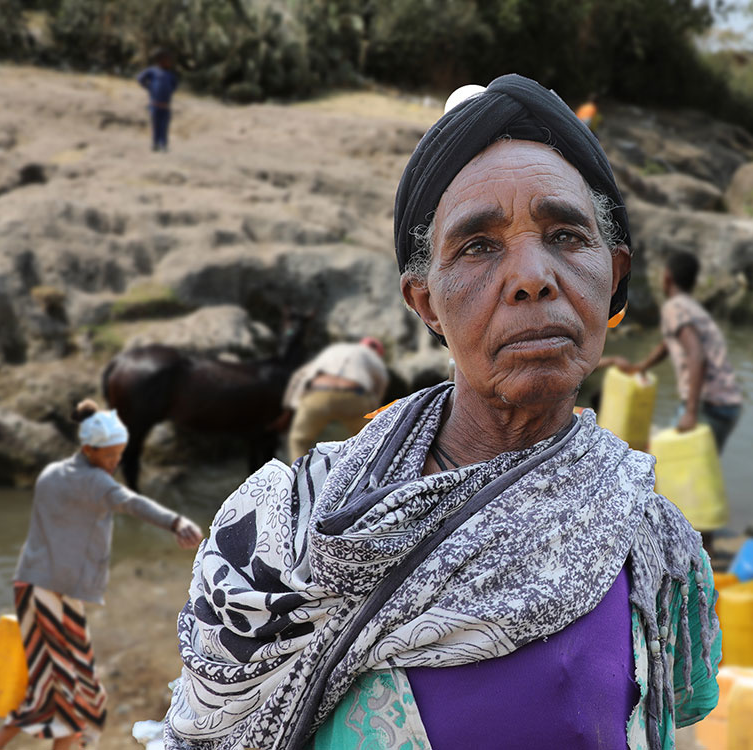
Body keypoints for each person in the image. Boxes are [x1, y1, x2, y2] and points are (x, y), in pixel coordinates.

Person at [163, 74, 720, 750]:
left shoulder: (655, 542)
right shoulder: (283, 529)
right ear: (424, 302)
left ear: (614, 273)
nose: (532, 276)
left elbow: (668, 727)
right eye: (480, 246)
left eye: (567, 235)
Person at [0, 401, 203, 750]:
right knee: (72, 689)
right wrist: (175, 522)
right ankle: (2, 744)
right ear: (88, 449)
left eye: (118, 456)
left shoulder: (55, 475)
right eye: (110, 456)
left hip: (39, 588)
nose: (114, 465)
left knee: (61, 683)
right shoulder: (92, 482)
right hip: (49, 592)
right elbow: (131, 502)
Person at [600, 250, 743, 454]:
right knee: (698, 468)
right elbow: (667, 345)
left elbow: (696, 354)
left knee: (674, 465)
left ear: (667, 277)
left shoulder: (674, 308)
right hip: (729, 403)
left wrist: (691, 412)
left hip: (708, 405)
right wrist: (642, 367)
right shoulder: (692, 308)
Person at [282, 337, 389, 460]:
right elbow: (381, 383)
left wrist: (292, 406)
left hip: (318, 395)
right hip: (354, 397)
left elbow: (300, 375)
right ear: (379, 353)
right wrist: (373, 408)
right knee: (367, 442)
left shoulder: (334, 349)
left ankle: (298, 476)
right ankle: (363, 474)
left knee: (299, 440)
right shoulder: (373, 357)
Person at [136, 49, 179, 152]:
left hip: (166, 106)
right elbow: (140, 78)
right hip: (155, 105)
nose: (169, 62)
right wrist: (149, 87)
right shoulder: (152, 71)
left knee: (164, 126)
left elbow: (175, 85)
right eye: (167, 60)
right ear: (160, 61)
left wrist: (169, 91)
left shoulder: (170, 75)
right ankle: (155, 144)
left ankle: (163, 145)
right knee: (156, 126)